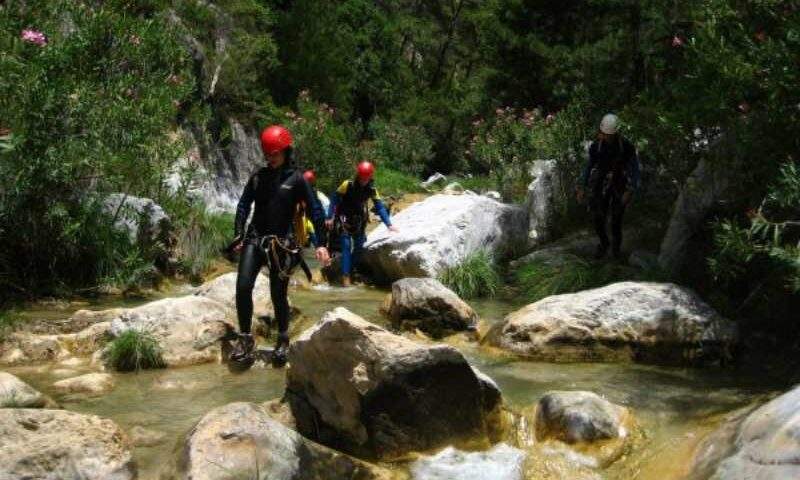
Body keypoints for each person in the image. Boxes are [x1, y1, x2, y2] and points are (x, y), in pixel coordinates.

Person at [230, 125, 330, 368]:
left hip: (282, 245)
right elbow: (243, 206)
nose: (271, 158)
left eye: (275, 153)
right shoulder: (257, 177)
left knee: (278, 294)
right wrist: (238, 234)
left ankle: (283, 338)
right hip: (255, 239)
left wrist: (322, 244)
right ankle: (245, 338)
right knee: (243, 286)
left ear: (286, 151)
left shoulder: (297, 180)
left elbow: (315, 210)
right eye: (268, 154)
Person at [576, 113, 641, 259]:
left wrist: (630, 191)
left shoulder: (626, 147)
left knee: (616, 220)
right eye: (605, 134)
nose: (607, 137)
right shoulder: (596, 147)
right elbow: (588, 167)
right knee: (598, 218)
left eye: (610, 134)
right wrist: (582, 187)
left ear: (616, 132)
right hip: (601, 184)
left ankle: (616, 251)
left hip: (620, 184)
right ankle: (604, 244)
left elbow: (634, 170)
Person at [325, 161, 397, 286]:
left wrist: (389, 225)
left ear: (370, 177)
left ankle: (349, 268)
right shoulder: (347, 184)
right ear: (358, 175)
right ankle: (346, 277)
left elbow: (379, 207)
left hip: (358, 220)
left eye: (367, 177)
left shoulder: (372, 190)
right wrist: (329, 216)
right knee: (346, 246)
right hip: (343, 219)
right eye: (362, 177)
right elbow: (334, 199)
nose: (364, 180)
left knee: (359, 246)